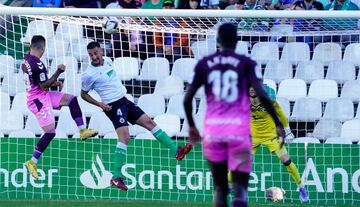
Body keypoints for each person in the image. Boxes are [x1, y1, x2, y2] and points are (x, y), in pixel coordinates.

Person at [183, 23, 284, 207]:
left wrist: (191, 125)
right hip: (238, 130)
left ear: (218, 41)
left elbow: (187, 98)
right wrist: (278, 123)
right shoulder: (245, 63)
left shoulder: (205, 64)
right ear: (237, 41)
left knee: (221, 189)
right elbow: (263, 95)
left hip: (214, 131)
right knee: (240, 190)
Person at [81, 41, 193, 191]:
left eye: (96, 53)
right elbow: (83, 94)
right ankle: (115, 176)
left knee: (149, 123)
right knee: (125, 137)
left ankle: (176, 151)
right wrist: (100, 104)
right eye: (91, 55)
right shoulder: (88, 74)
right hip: (113, 107)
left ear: (101, 51)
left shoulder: (107, 60)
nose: (94, 57)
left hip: (125, 101)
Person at [22, 35, 98, 180]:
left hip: (41, 94)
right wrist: (58, 72)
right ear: (43, 48)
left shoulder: (26, 59)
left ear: (31, 46)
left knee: (71, 100)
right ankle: (32, 162)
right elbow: (44, 84)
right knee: (50, 132)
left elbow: (41, 83)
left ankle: (82, 130)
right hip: (37, 100)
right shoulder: (37, 64)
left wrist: (54, 83)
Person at [229, 84, 310, 203]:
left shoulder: (268, 100)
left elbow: (281, 114)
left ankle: (301, 187)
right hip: (253, 137)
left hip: (271, 136)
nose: (251, 89)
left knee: (286, 161)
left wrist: (287, 131)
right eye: (249, 86)